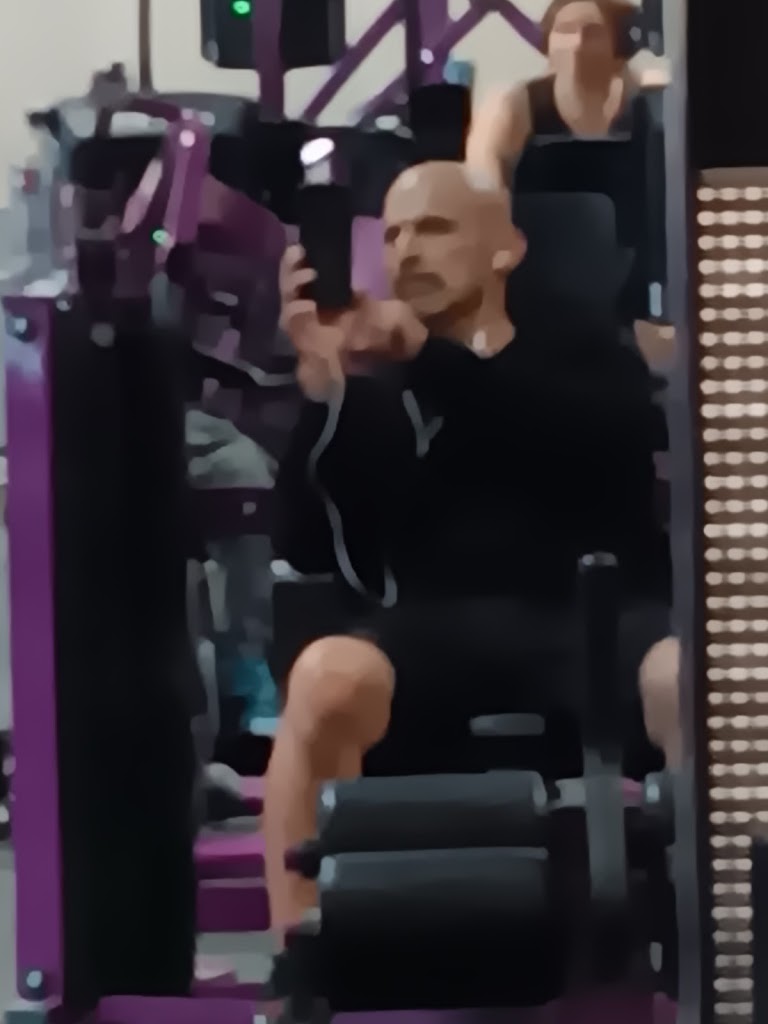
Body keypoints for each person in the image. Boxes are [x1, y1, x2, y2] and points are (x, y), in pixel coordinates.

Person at [263, 160, 680, 933]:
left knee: (688, 679)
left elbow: (587, 438)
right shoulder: (382, 380)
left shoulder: (585, 348)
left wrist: (431, 358)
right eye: (393, 235)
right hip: (437, 626)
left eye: (434, 229)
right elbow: (310, 546)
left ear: (505, 248)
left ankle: (731, 933)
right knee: (323, 678)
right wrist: (324, 391)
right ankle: (302, 951)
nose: (408, 251)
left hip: (593, 620)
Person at [466, 0, 642, 185]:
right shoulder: (514, 106)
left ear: (619, 46)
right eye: (565, 30)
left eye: (593, 32)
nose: (577, 43)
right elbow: (482, 184)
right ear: (548, 42)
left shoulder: (642, 103)